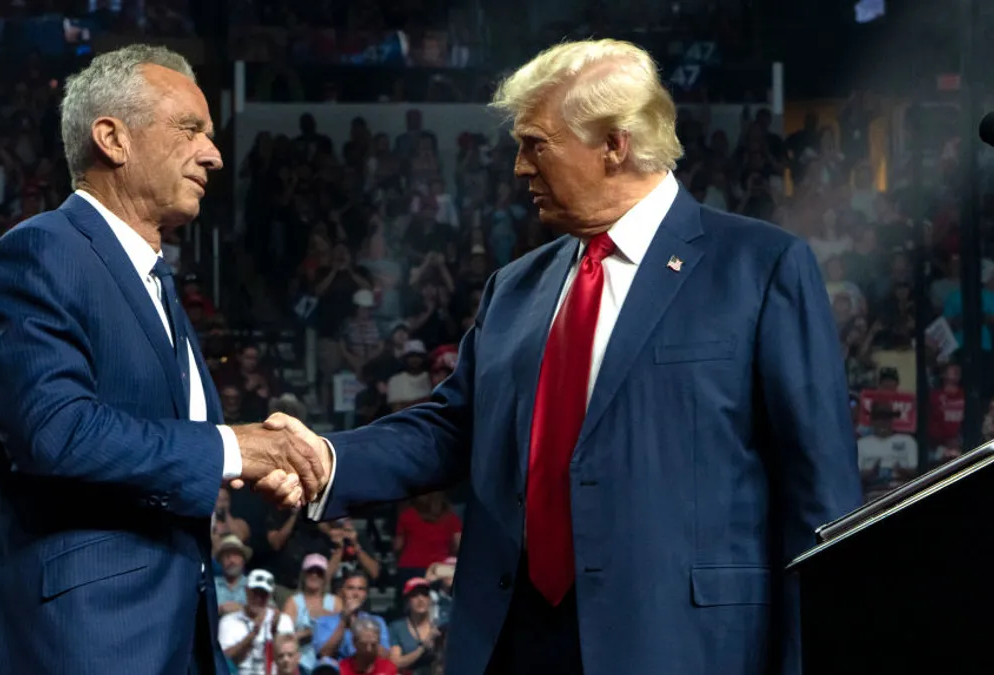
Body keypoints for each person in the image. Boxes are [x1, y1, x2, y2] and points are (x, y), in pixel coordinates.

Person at [271, 39, 861, 675]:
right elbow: (452, 428)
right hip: (517, 640)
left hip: (685, 644)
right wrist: (325, 460)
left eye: (535, 143)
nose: (520, 167)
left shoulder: (760, 267)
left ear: (614, 144)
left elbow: (821, 497)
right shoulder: (516, 286)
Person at [0, 44, 324, 675]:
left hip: (174, 640)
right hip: (77, 644)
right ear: (113, 139)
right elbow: (57, 432)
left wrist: (246, 468)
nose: (213, 153)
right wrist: (234, 449)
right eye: (191, 130)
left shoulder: (154, 279)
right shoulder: (40, 253)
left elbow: (166, 451)